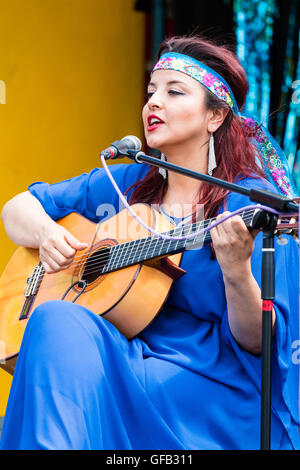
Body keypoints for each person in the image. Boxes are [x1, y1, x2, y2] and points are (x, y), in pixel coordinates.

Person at [0, 34, 299, 450]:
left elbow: (259, 340)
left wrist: (235, 271)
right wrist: (48, 234)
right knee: (54, 319)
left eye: (174, 92)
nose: (153, 103)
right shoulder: (128, 183)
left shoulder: (249, 201)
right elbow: (17, 208)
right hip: (123, 357)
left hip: (206, 383)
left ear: (215, 116)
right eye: (151, 92)